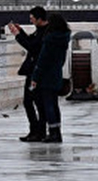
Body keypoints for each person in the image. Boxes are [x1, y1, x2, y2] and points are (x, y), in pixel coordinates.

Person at [8, 6, 48, 142]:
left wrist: (17, 36)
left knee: (34, 102)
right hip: (33, 71)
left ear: (39, 19)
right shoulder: (40, 32)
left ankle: (38, 131)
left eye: (32, 19)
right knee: (32, 102)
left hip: (37, 72)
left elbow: (32, 47)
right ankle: (37, 131)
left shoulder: (44, 33)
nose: (31, 21)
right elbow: (32, 41)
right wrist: (21, 32)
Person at [29, 13, 71, 143]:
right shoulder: (64, 39)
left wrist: (35, 77)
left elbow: (43, 59)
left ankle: (53, 133)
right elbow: (62, 59)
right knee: (54, 104)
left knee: (48, 105)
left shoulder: (50, 39)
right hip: (56, 74)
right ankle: (57, 131)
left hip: (46, 76)